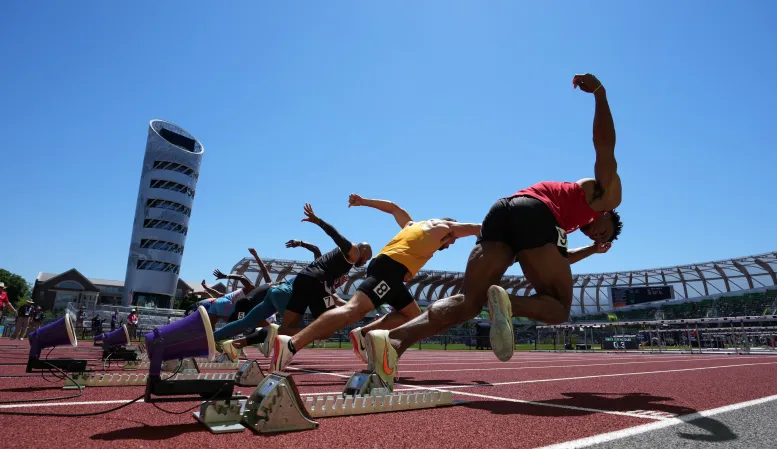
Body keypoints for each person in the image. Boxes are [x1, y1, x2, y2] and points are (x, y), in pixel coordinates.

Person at [363, 73, 624, 386]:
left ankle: (391, 342)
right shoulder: (606, 195)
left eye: (601, 241)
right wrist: (600, 93)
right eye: (605, 233)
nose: (599, 237)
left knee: (467, 301)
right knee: (558, 309)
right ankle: (505, 303)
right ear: (609, 215)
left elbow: (552, 263)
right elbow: (604, 146)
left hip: (503, 210)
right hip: (536, 215)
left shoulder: (567, 218)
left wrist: (592, 250)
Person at [271, 195, 481, 371]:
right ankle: (292, 344)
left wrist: (363, 201)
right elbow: (476, 227)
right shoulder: (445, 227)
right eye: (453, 240)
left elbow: (393, 208)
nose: (452, 243)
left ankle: (363, 334)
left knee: (413, 316)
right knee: (353, 310)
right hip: (389, 271)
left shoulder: (412, 225)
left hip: (393, 274)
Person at [213, 239, 348, 354]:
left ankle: (212, 337)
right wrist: (353, 307)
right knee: (299, 330)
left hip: (275, 292)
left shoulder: (325, 281)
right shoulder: (323, 273)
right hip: (286, 294)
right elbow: (335, 299)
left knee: (244, 322)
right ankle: (272, 348)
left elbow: (332, 298)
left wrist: (299, 243)